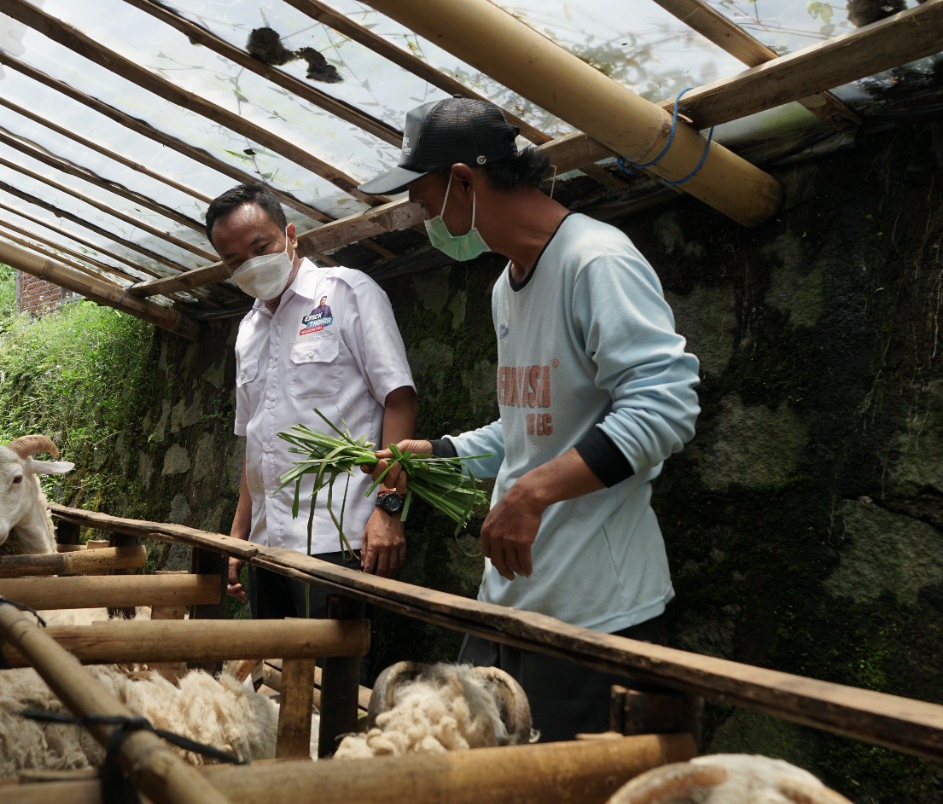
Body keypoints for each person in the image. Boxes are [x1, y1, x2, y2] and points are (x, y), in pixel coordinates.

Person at [358, 97, 700, 741]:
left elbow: (666, 404)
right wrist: (437, 451)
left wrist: (534, 492)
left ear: (464, 180)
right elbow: (529, 425)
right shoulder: (505, 285)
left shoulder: (595, 260)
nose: (421, 215)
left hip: (594, 616)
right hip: (509, 601)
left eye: (425, 198)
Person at [206, 182, 418, 628]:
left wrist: (389, 509)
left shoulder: (347, 292)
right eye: (234, 260)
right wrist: (237, 539)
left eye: (260, 246)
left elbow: (399, 400)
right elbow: (255, 443)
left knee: (336, 687)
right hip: (266, 546)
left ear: (291, 235)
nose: (251, 264)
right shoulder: (248, 330)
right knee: (275, 684)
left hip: (337, 539)